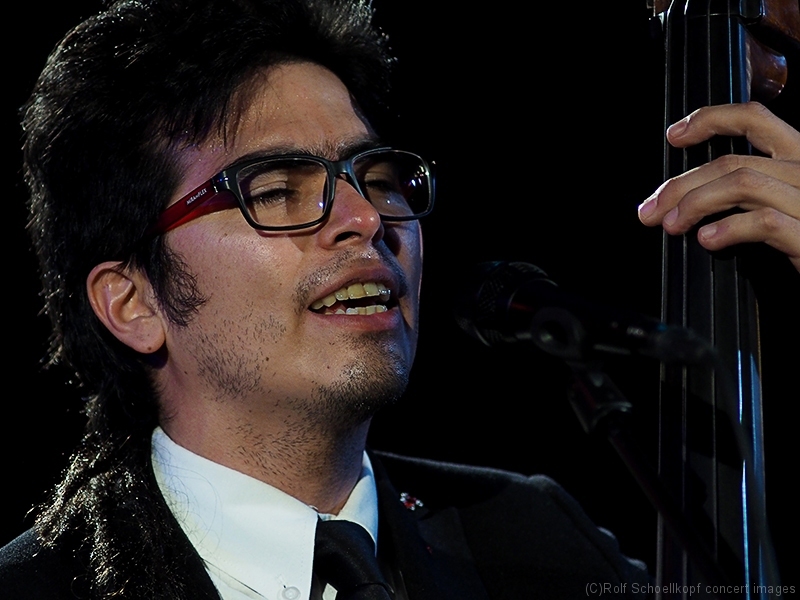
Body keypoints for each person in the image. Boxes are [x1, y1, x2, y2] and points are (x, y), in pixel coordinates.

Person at [1, 1, 798, 599]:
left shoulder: (533, 540)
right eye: (275, 191)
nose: (364, 218)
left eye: (378, 177)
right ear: (132, 303)